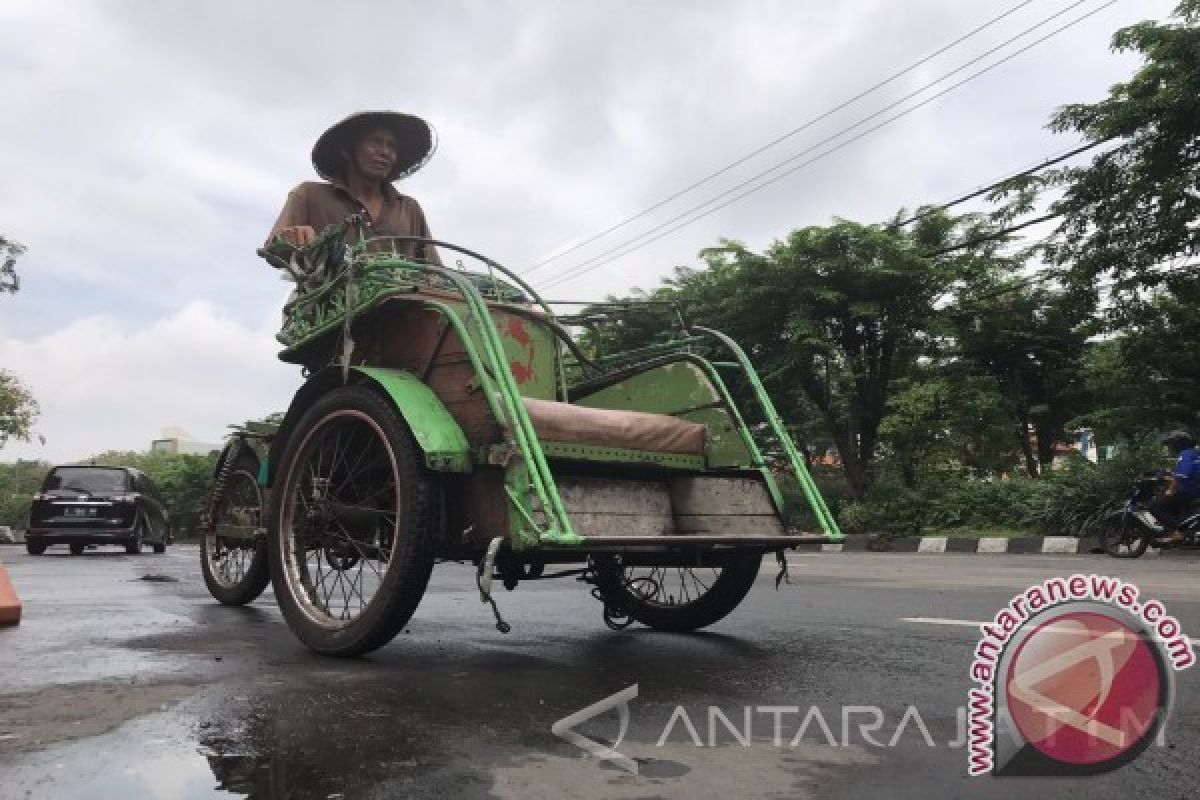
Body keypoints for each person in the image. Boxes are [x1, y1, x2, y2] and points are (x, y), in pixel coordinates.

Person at [267, 110, 441, 265]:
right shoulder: (310, 195)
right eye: (375, 142)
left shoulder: (409, 208)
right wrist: (290, 238)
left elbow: (435, 271)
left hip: (403, 299)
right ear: (347, 151)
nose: (385, 152)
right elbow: (272, 249)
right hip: (330, 299)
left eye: (392, 146)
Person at [1151, 430, 1200, 545]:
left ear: (1179, 444)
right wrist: (1168, 472)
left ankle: (1176, 531)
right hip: (1194, 489)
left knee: (1155, 506)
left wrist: (1171, 490)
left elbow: (1182, 476)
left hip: (1189, 490)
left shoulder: (1185, 454)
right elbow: (1185, 471)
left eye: (1171, 444)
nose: (1170, 447)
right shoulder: (1194, 453)